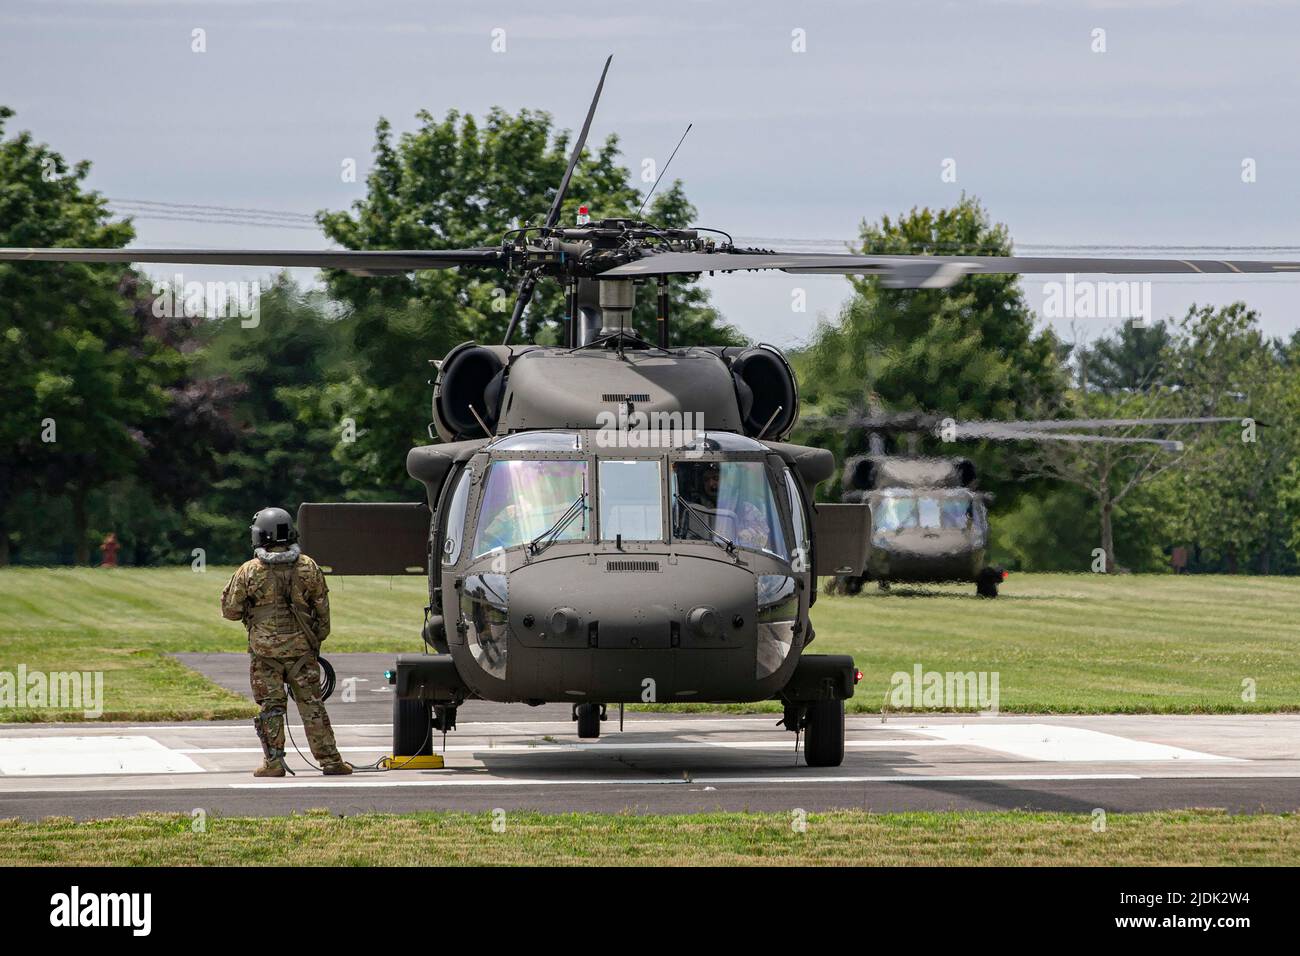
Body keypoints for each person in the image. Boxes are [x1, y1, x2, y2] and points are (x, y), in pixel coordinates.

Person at [220, 507, 351, 777]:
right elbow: (323, 615)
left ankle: (274, 763)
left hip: (264, 654)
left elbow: (230, 611)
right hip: (302, 652)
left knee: (271, 708)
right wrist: (313, 642)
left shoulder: (249, 571)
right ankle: (330, 760)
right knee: (312, 705)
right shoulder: (308, 566)